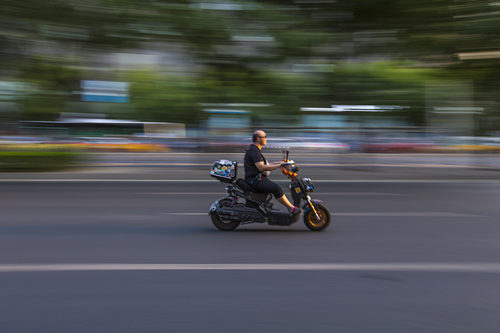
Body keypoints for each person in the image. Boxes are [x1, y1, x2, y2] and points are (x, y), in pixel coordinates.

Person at [244, 130, 300, 215]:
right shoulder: (254, 151)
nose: (266, 139)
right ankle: (291, 208)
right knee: (276, 188)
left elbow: (266, 164)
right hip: (255, 180)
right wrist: (279, 165)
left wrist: (281, 163)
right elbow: (261, 167)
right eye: (265, 137)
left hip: (257, 178)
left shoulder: (255, 150)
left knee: (273, 188)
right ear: (258, 138)